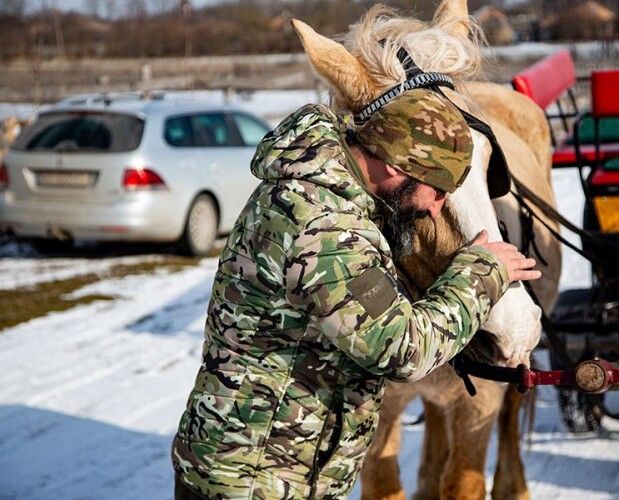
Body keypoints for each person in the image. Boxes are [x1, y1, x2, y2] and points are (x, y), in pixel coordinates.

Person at [171, 88, 541, 499]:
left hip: (264, 466)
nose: (436, 209)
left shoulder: (315, 193)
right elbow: (401, 349)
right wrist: (481, 274)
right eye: (437, 191)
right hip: (256, 479)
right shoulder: (326, 229)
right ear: (397, 165)